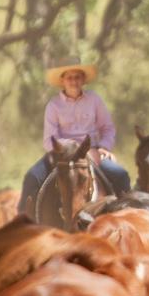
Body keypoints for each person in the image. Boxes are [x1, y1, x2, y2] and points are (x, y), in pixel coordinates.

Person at [19, 58, 131, 212]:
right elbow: (48, 140)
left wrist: (104, 147)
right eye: (69, 78)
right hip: (61, 154)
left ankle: (127, 217)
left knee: (121, 175)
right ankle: (25, 223)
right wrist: (74, 148)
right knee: (32, 177)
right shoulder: (53, 105)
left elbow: (108, 128)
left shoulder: (94, 100)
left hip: (92, 152)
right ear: (63, 80)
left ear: (83, 80)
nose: (73, 81)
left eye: (77, 77)